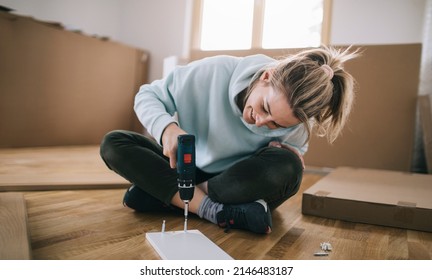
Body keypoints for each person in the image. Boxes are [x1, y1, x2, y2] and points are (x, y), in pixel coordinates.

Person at [100, 45, 358, 234]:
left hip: (231, 182)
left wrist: (286, 150)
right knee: (114, 143)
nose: (260, 123)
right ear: (266, 76)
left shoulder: (299, 121)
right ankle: (215, 211)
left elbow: (292, 153)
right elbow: (148, 95)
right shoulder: (212, 71)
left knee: (289, 169)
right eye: (265, 108)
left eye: (276, 125)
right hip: (185, 167)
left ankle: (167, 195)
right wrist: (167, 128)